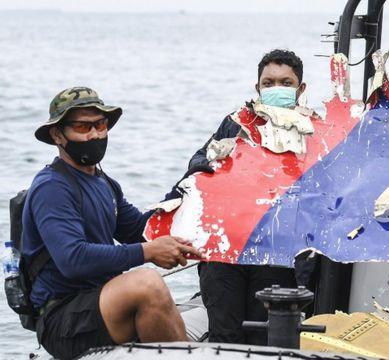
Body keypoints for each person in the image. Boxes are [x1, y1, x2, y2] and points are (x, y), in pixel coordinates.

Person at [22, 87, 202, 360]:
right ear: (58, 135)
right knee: (147, 284)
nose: (94, 134)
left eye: (100, 125)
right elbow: (73, 259)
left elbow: (139, 231)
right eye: (83, 126)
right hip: (62, 318)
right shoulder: (52, 188)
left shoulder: (104, 182)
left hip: (102, 303)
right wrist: (149, 252)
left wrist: (190, 186)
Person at [187, 49, 307, 345]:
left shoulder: (313, 131)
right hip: (226, 250)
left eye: (285, 82)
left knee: (264, 337)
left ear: (300, 89)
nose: (276, 88)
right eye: (268, 83)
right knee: (224, 335)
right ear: (257, 88)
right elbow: (200, 159)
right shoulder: (236, 123)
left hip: (276, 254)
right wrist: (202, 166)